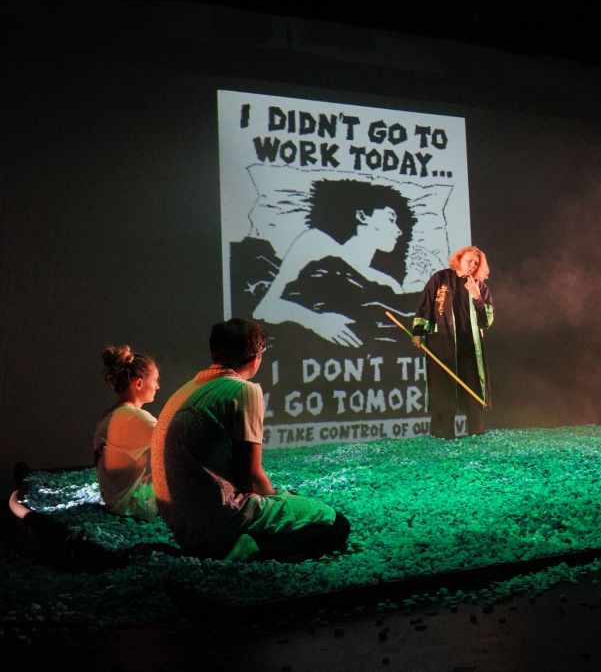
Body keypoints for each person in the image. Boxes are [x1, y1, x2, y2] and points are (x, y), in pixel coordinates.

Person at [151, 319, 350, 561]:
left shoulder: (186, 390)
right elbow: (251, 476)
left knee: (290, 500)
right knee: (336, 524)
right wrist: (278, 499)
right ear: (257, 355)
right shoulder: (243, 390)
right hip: (218, 522)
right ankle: (251, 546)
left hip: (183, 527)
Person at [252, 179, 415, 348]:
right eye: (390, 219)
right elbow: (265, 309)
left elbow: (407, 330)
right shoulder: (315, 243)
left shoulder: (388, 283)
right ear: (362, 216)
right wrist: (316, 321)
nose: (398, 230)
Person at [411, 246, 494, 439]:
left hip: (470, 349)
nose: (473, 265)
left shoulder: (480, 286)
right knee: (443, 390)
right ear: (459, 258)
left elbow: (486, 322)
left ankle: (476, 436)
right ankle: (443, 436)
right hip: (443, 345)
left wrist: (477, 297)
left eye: (476, 263)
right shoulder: (440, 278)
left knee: (473, 391)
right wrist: (418, 332)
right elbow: (425, 306)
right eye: (469, 260)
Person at [93, 345, 160, 520]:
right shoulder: (136, 418)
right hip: (136, 507)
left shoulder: (109, 416)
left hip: (114, 502)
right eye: (155, 380)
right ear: (139, 383)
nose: (157, 386)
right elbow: (180, 440)